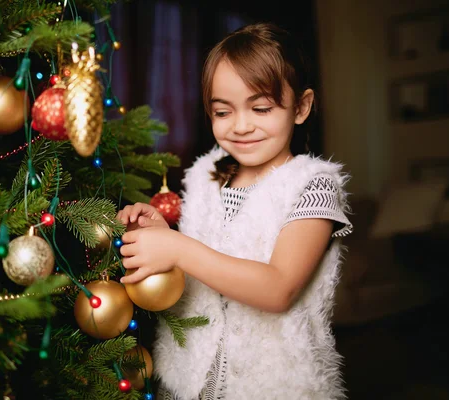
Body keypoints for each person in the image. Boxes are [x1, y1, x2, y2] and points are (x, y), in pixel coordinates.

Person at [116, 22, 353, 400]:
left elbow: (278, 288)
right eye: (223, 112)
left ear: (301, 107)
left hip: (275, 386)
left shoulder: (313, 187)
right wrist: (164, 238)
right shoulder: (205, 180)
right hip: (191, 381)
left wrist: (179, 249)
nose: (241, 126)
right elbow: (200, 277)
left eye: (260, 108)